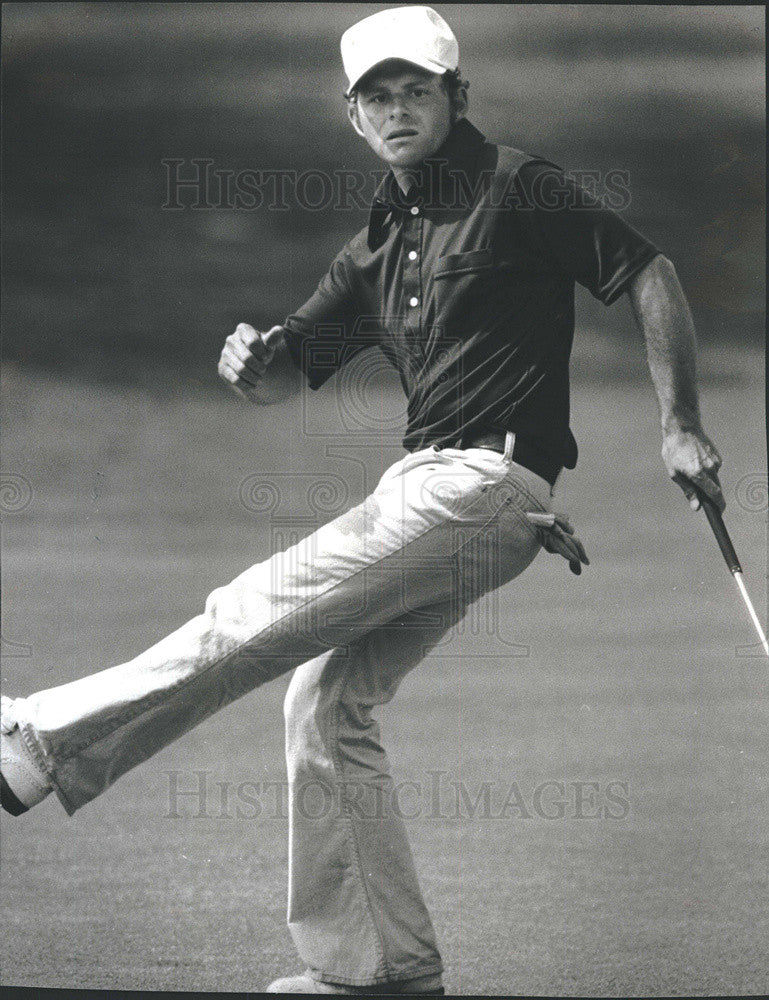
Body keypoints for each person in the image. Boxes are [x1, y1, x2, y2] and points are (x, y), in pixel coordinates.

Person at [1, 6, 724, 995]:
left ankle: (37, 738)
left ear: (453, 97)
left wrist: (677, 420)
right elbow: (289, 371)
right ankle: (384, 966)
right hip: (454, 500)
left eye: (414, 91)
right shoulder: (377, 244)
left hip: (480, 487)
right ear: (352, 118)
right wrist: (249, 364)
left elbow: (649, 272)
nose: (396, 109)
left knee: (247, 613)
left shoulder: (518, 185)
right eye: (375, 97)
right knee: (327, 700)